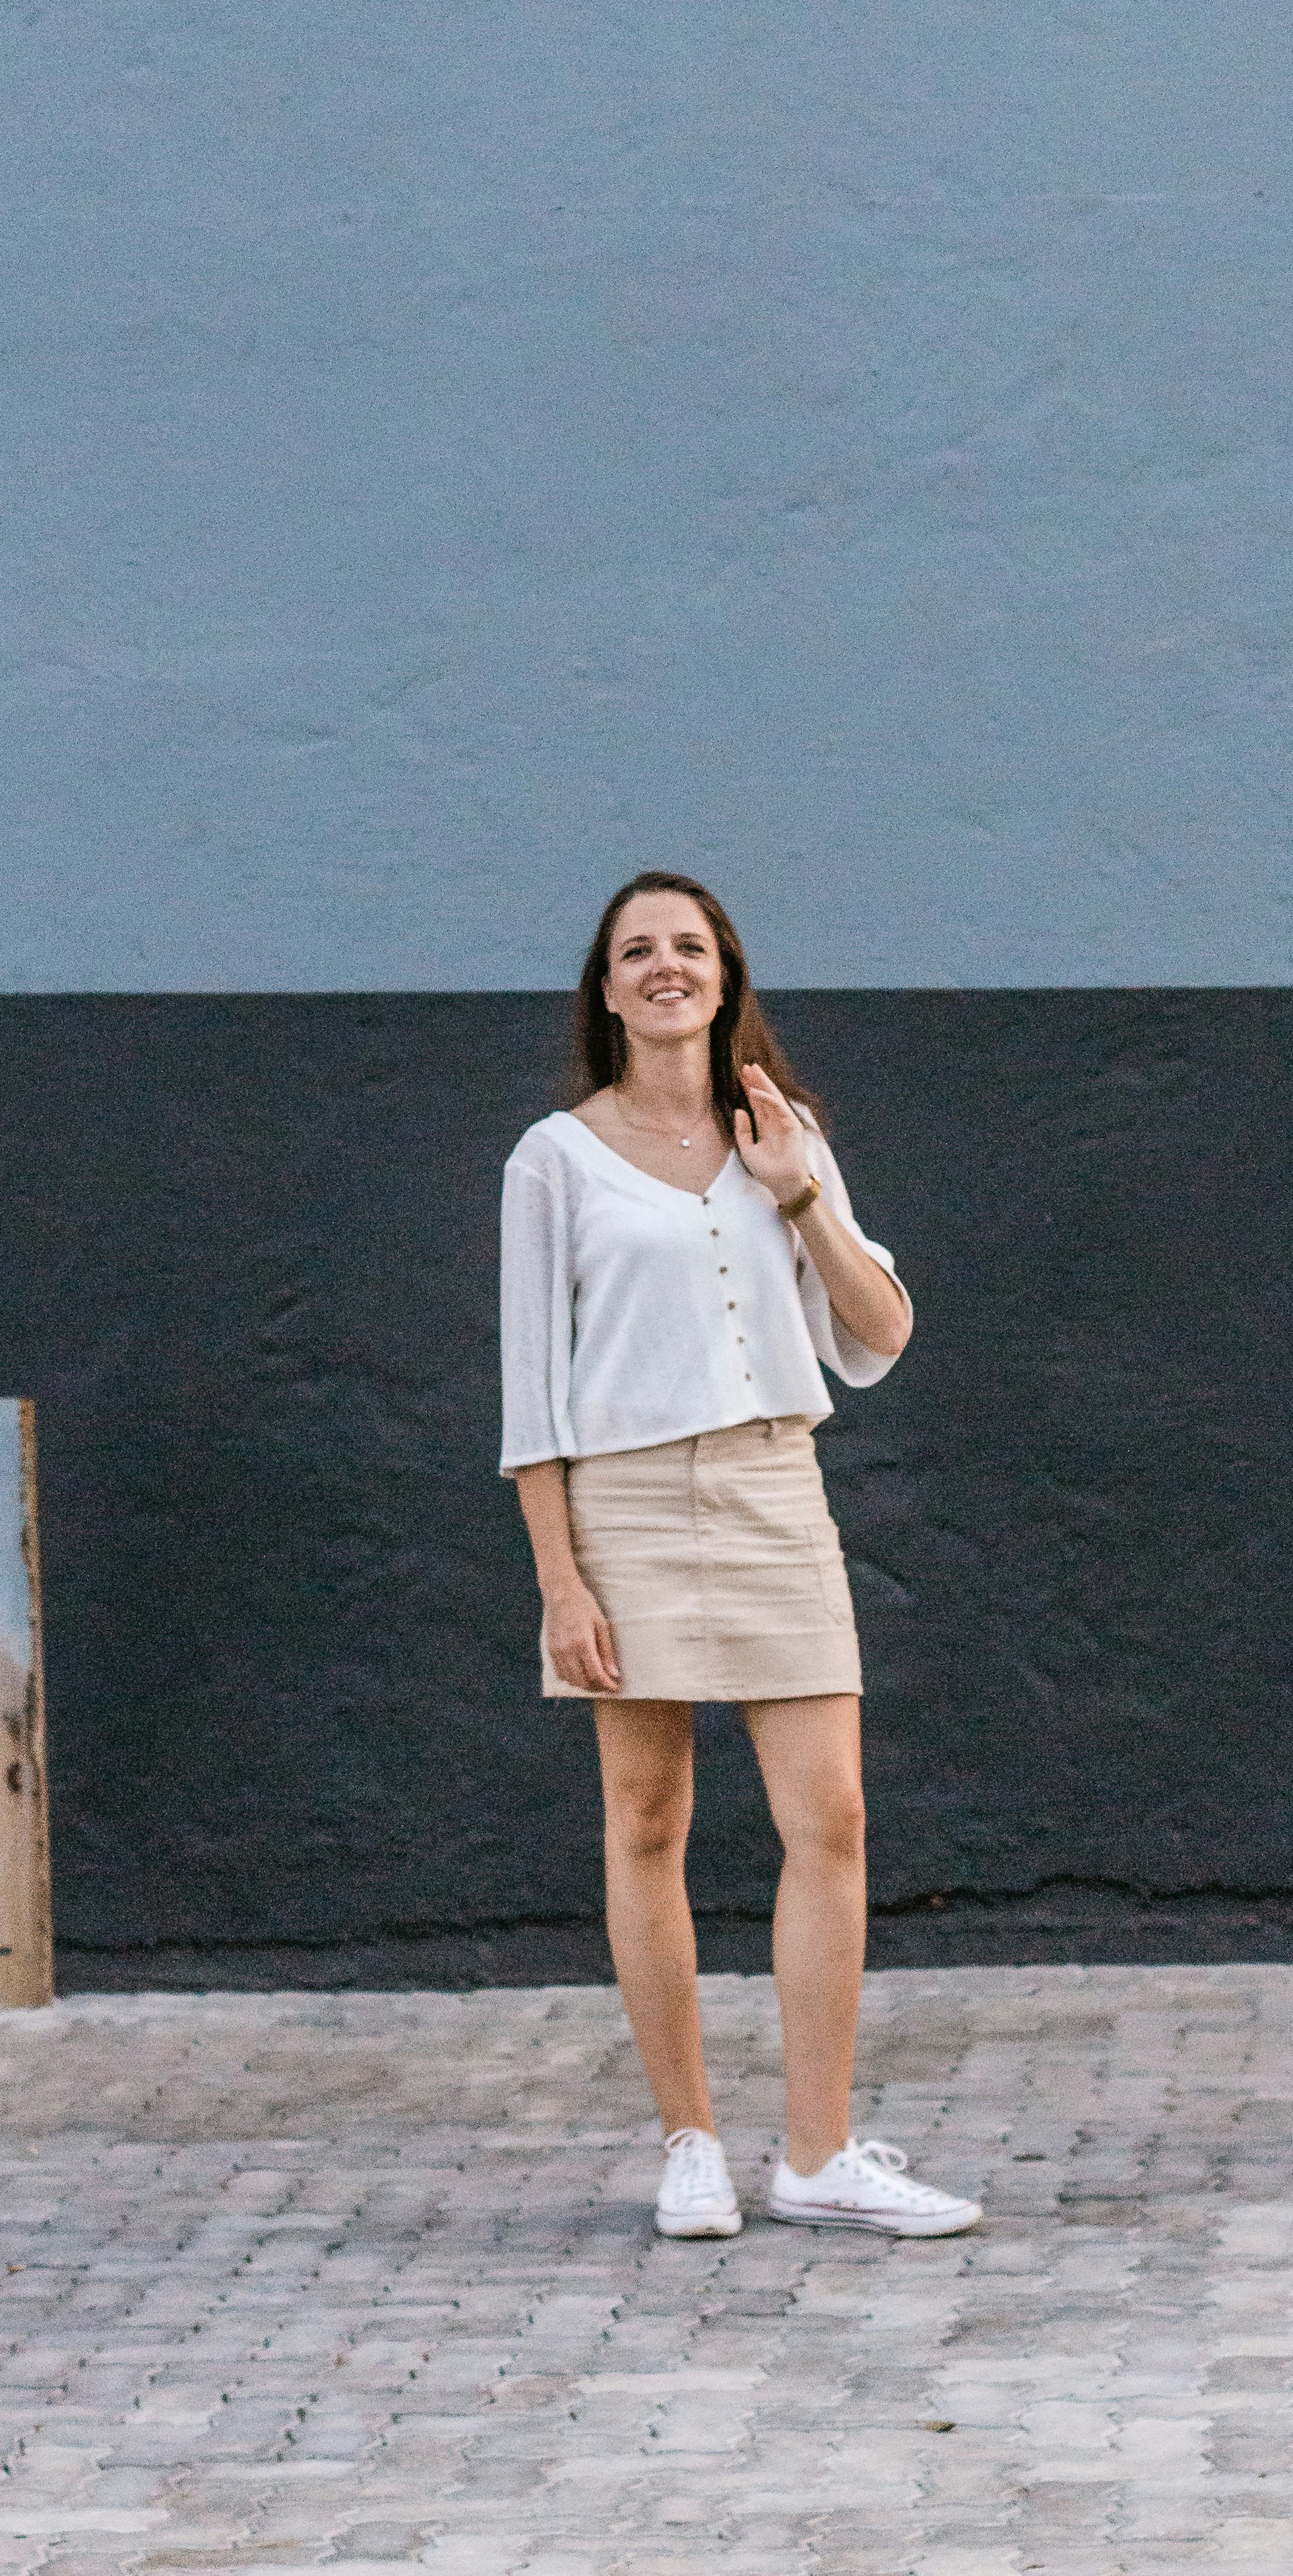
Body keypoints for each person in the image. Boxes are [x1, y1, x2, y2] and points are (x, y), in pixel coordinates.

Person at [500, 871, 980, 2244]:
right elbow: (532, 1395)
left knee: (828, 1818)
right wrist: (561, 1580)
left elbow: (879, 1332)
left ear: (725, 975)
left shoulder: (787, 1130)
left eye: (689, 948)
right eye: (637, 951)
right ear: (607, 988)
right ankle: (691, 2143)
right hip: (626, 1503)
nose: (666, 968)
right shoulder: (554, 1157)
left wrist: (799, 1195)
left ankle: (819, 2155)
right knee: (647, 1823)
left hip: (777, 1487)